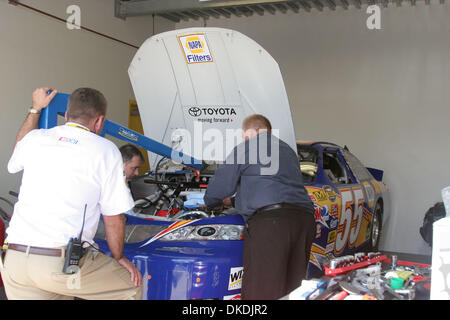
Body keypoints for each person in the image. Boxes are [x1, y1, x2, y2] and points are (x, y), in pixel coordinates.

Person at [0, 87, 143, 300]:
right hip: (60, 265)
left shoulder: (35, 139)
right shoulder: (105, 150)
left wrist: (35, 109)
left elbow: (17, 154)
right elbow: (113, 217)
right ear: (99, 121)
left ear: (67, 116)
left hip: (15, 261)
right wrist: (119, 256)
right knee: (129, 288)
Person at [204, 114, 316, 300]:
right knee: (292, 291)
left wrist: (210, 202)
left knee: (261, 292)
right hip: (304, 222)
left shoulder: (247, 147)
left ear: (249, 132)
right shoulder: (288, 151)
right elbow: (274, 186)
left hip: (272, 226)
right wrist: (233, 202)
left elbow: (221, 186)